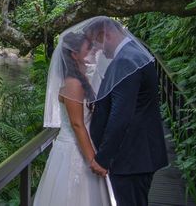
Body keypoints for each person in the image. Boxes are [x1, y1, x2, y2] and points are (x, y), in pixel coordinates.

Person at [86, 16, 168, 206]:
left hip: (131, 158)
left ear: (106, 35)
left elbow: (121, 116)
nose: (98, 50)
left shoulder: (126, 61)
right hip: (135, 156)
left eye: (97, 43)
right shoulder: (133, 55)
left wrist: (103, 158)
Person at [34, 25, 111, 206]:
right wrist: (93, 160)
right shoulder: (73, 83)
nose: (93, 50)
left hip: (82, 145)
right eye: (88, 48)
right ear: (75, 55)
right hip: (73, 151)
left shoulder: (80, 80)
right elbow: (77, 125)